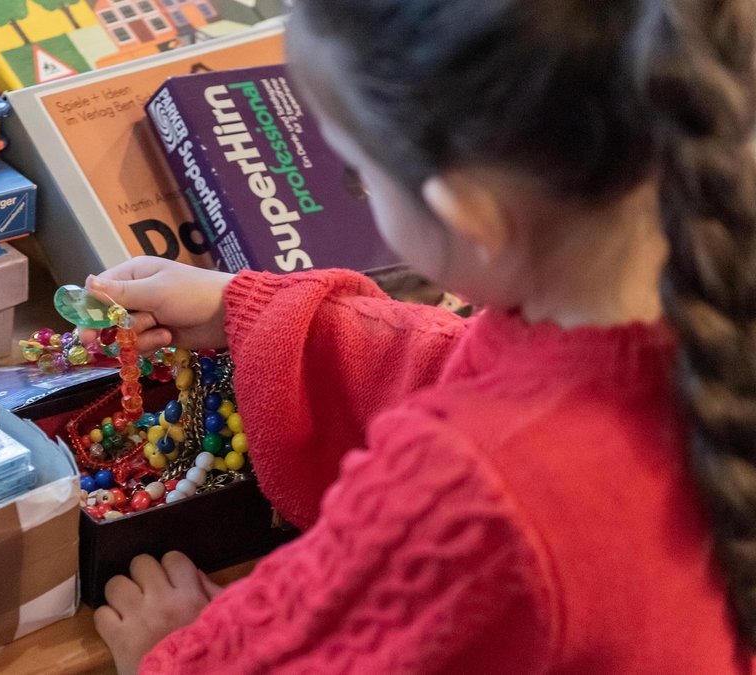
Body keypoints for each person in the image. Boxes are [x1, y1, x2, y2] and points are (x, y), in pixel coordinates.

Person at [87, 0, 756, 672]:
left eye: (358, 172)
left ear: (468, 212)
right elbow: (485, 368)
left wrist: (170, 653)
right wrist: (262, 315)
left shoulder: (468, 496)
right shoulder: (698, 299)